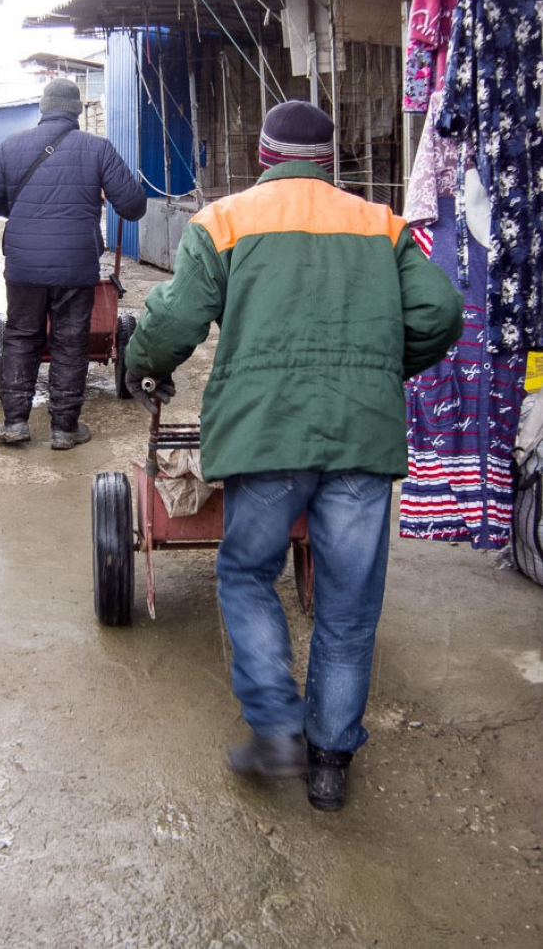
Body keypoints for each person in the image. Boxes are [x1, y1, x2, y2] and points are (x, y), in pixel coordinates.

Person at [124, 100, 464, 811]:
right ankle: (331, 762)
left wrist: (143, 363)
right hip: (361, 438)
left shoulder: (222, 221)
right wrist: (379, 371)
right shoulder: (380, 224)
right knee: (348, 605)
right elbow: (440, 314)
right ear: (331, 160)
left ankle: (277, 728)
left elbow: (176, 319)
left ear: (262, 154)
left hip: (267, 433)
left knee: (248, 574)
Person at [0, 78, 147, 449]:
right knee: (71, 341)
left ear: (43, 108)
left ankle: (16, 422)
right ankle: (64, 429)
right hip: (74, 263)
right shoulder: (97, 149)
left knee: (21, 335)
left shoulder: (10, 146)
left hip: (23, 264)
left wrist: (22, 214)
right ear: (77, 112)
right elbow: (133, 205)